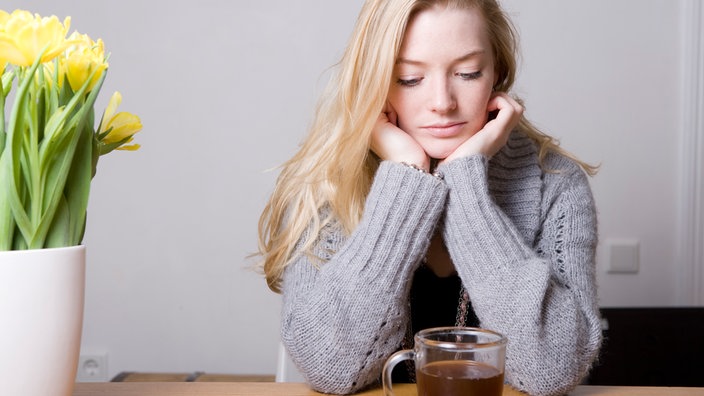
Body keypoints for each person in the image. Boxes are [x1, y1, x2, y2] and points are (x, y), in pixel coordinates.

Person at [257, 0, 602, 395]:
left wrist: (466, 184)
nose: (442, 102)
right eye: (408, 78)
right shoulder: (324, 185)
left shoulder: (555, 184)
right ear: (375, 81)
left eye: (468, 73)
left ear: (497, 74)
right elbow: (329, 369)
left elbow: (551, 372)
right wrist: (406, 177)